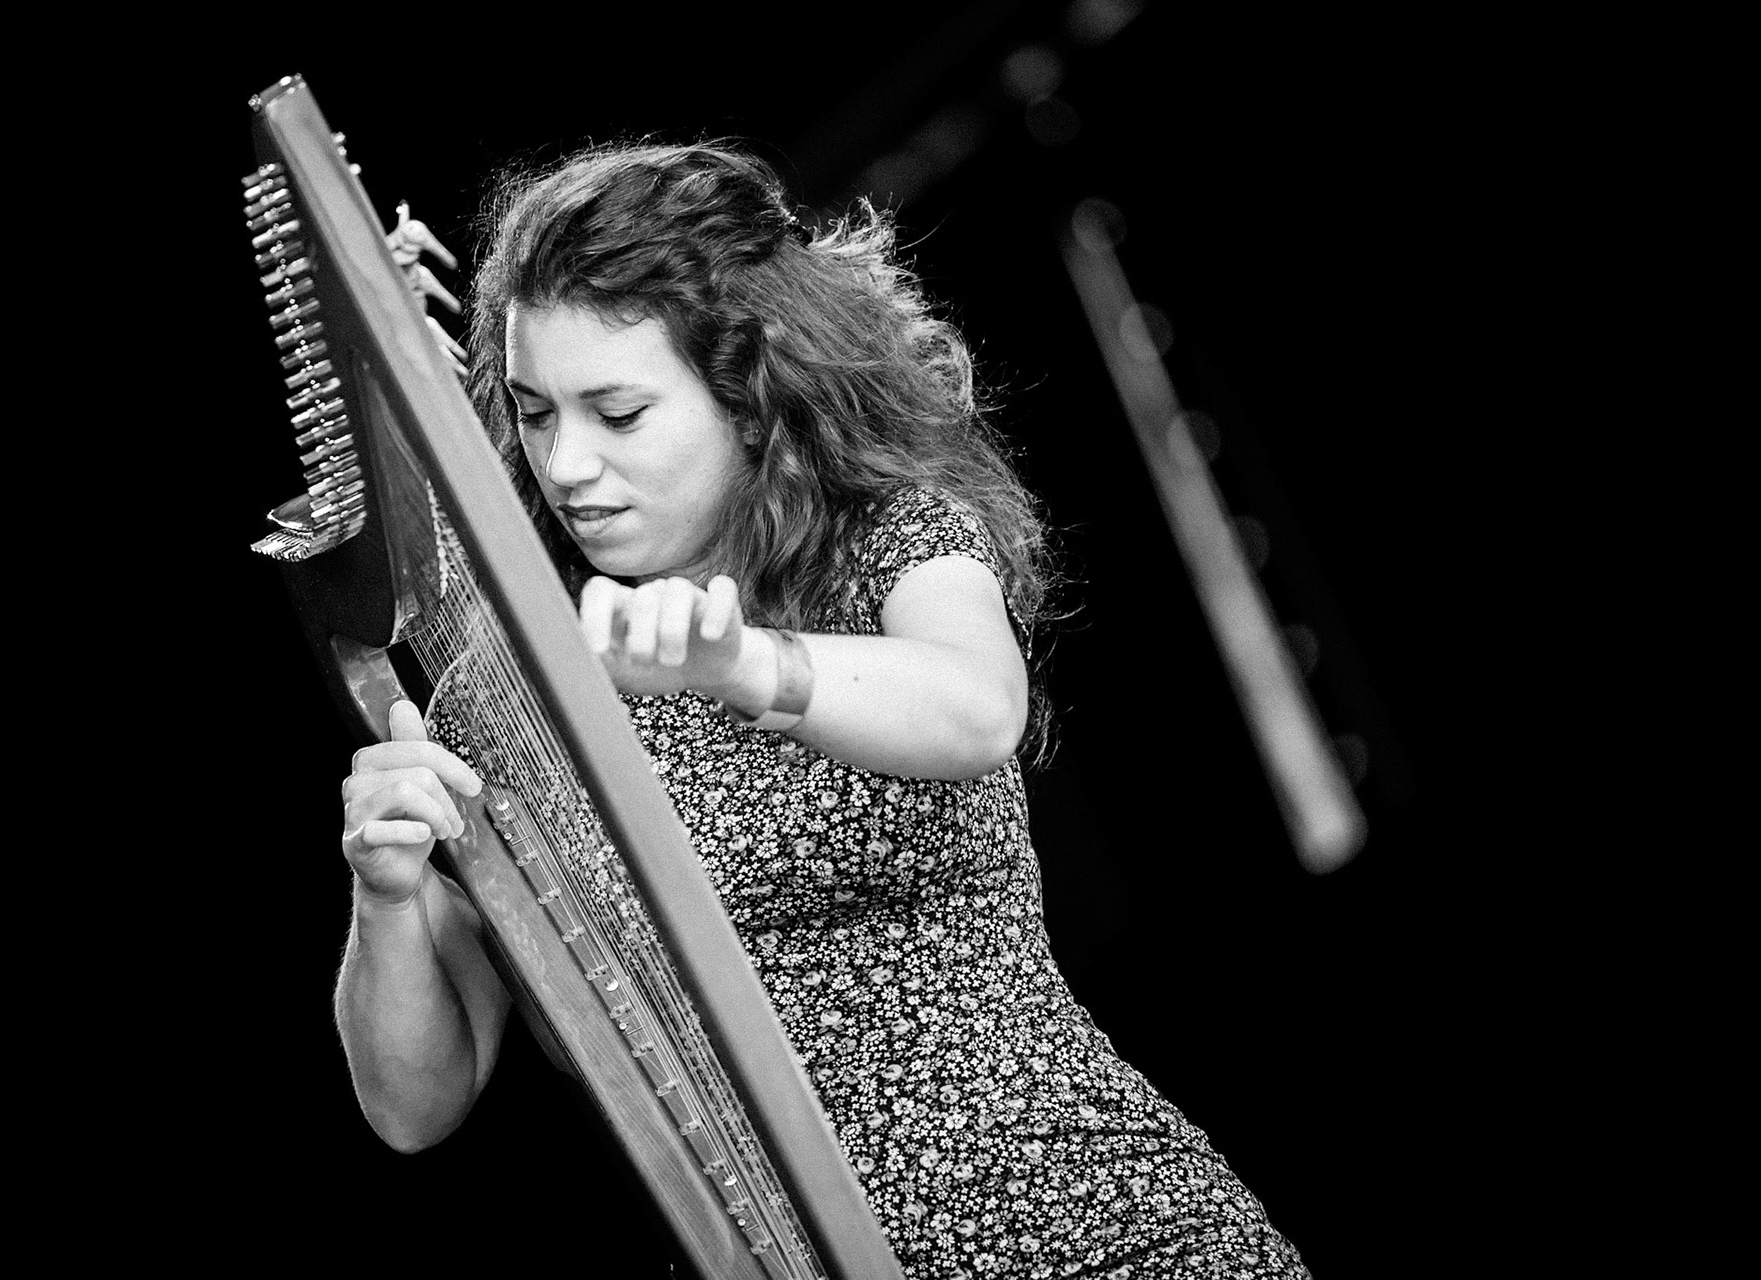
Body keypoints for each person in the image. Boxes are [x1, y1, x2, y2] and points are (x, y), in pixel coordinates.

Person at [335, 141, 1309, 1279]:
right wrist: (384, 893)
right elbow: (416, 1105)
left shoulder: (884, 538)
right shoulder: (505, 695)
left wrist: (745, 665)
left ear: (748, 393)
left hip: (1082, 1222)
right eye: (536, 411)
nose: (566, 464)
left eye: (619, 412)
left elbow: (976, 708)